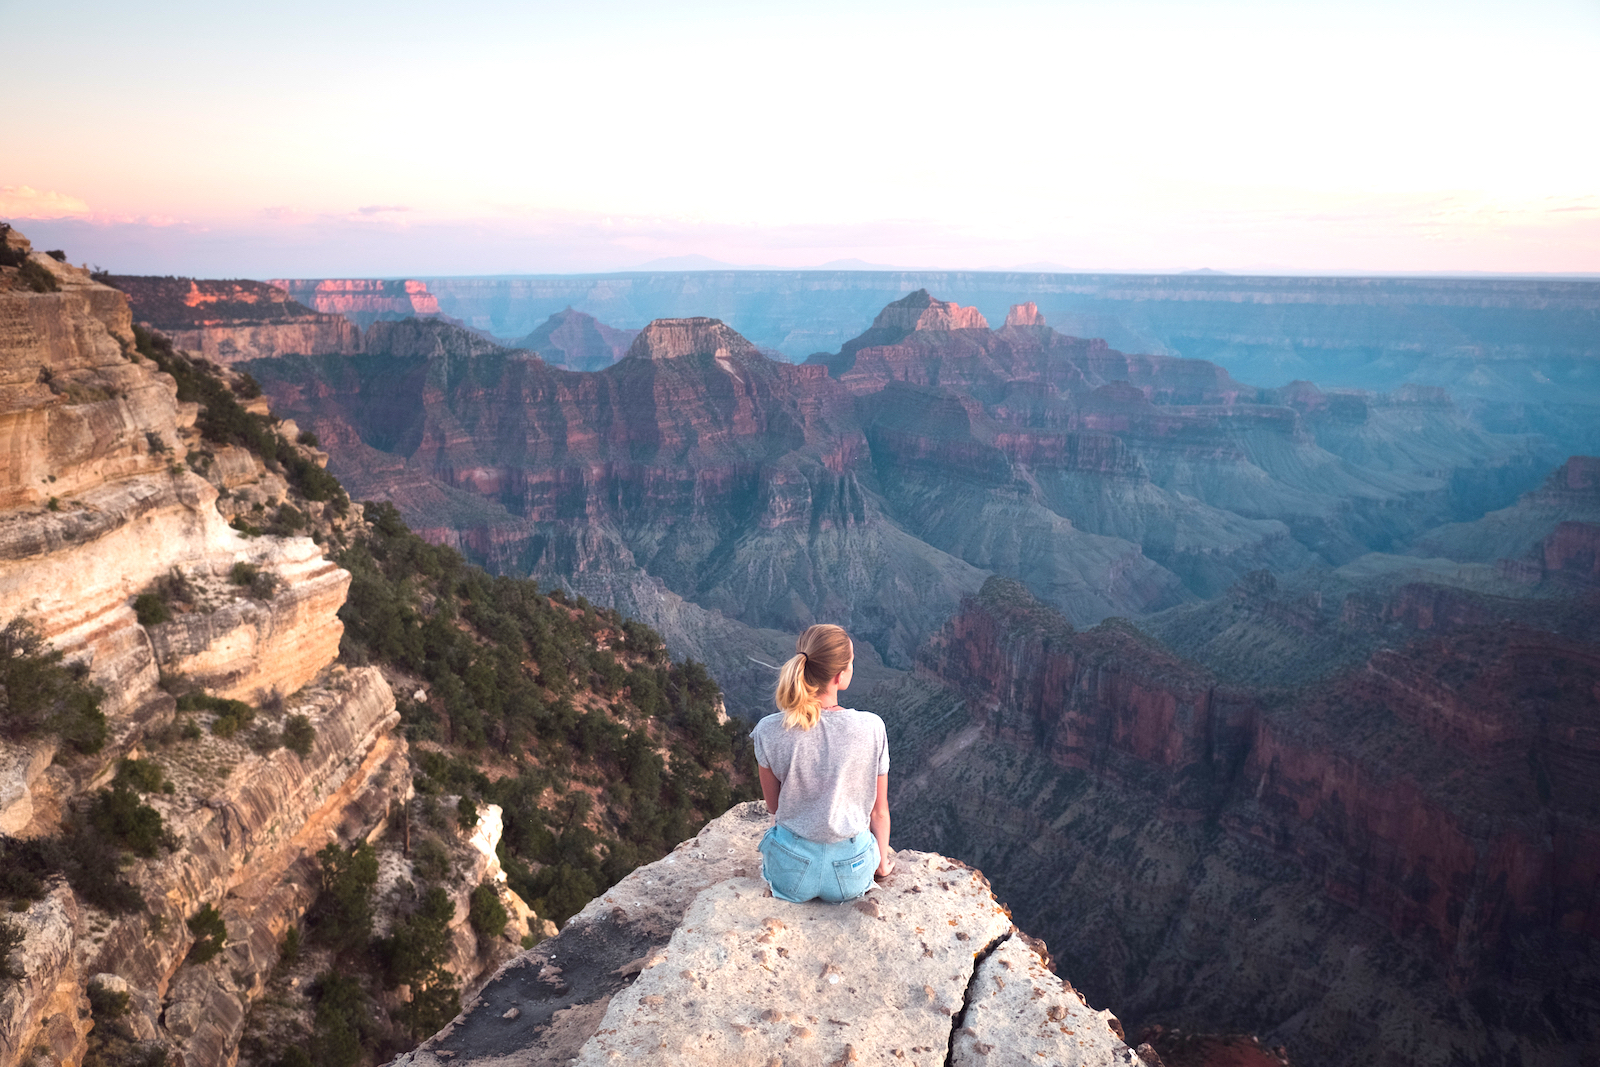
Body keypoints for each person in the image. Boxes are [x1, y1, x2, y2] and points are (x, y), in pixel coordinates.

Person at [751, 623, 893, 903]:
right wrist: (882, 863)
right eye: (852, 662)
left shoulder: (768, 730)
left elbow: (775, 808)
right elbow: (880, 812)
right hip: (851, 874)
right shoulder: (872, 727)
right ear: (840, 676)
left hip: (791, 875)